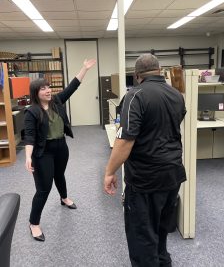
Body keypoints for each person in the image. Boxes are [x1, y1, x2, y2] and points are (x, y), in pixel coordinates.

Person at [104, 54, 186, 267]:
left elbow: (125, 140)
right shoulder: (177, 94)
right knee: (160, 231)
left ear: (137, 75)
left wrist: (109, 172)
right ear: (160, 70)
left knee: (142, 238)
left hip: (146, 180)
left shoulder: (135, 95)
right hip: (173, 174)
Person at [24, 58, 96, 242]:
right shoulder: (31, 112)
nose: (48, 90)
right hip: (43, 152)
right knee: (44, 188)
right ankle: (33, 222)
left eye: (48, 87)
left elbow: (73, 86)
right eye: (43, 88)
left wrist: (84, 68)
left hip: (61, 147)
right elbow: (30, 137)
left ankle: (64, 198)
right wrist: (28, 157)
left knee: (60, 175)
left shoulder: (56, 101)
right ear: (35, 93)